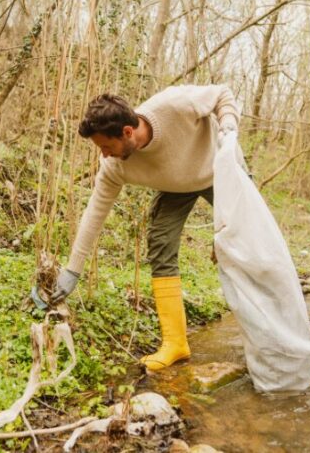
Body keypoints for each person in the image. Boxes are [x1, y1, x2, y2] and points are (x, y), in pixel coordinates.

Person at [44, 85, 240, 371]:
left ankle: (276, 336)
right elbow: (94, 214)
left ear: (127, 132)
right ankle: (176, 343)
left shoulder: (173, 105)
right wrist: (73, 270)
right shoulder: (114, 166)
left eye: (106, 147)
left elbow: (222, 93)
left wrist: (228, 124)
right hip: (176, 186)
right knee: (160, 243)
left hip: (220, 170)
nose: (104, 155)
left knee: (248, 246)